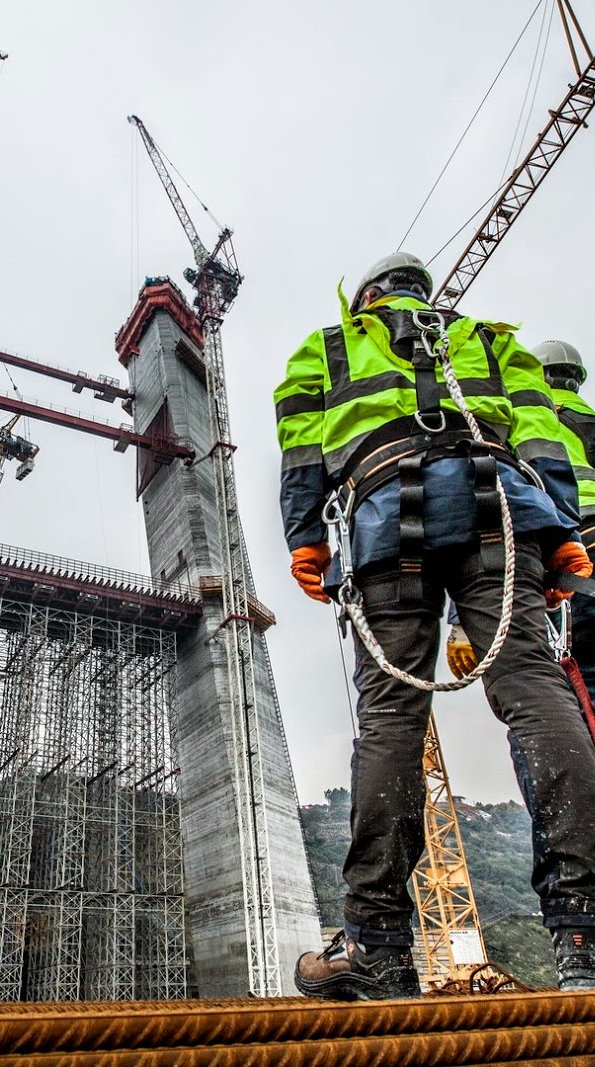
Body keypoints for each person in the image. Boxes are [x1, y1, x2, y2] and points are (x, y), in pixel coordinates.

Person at [275, 252, 595, 999]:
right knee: (534, 688)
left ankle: (377, 945)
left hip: (388, 520)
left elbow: (301, 448)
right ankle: (581, 933)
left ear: (367, 299)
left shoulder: (326, 347)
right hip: (500, 513)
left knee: (390, 716)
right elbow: (541, 431)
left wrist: (305, 538)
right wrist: (561, 531)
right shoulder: (487, 339)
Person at [448, 339, 595, 704]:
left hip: (567, 557)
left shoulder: (523, 420)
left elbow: (490, 505)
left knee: (540, 687)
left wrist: (460, 616)